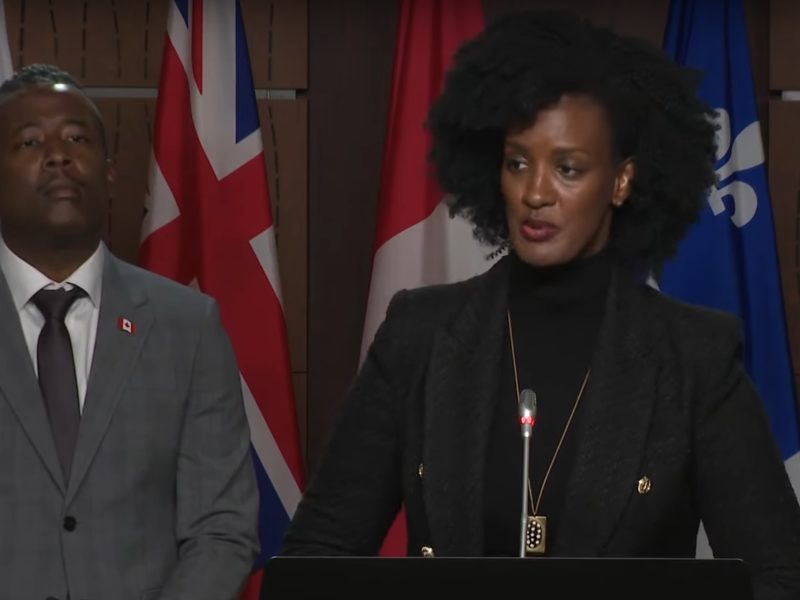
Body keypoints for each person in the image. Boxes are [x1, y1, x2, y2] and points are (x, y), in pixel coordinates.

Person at [280, 9, 800, 600]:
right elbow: (315, 558)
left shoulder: (693, 356)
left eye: (569, 169)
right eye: (517, 162)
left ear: (623, 181)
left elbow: (779, 575)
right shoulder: (419, 333)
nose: (534, 194)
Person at [0, 64, 258, 599]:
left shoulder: (188, 326)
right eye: (29, 142)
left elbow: (221, 528)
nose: (58, 155)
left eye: (77, 138)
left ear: (111, 171)